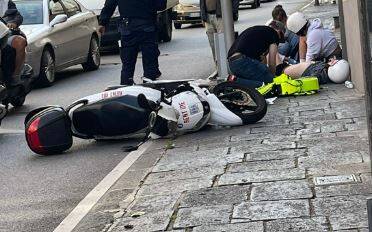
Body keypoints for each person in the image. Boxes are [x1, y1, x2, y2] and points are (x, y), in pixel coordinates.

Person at [99, 0, 167, 85]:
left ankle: (126, 83)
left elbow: (109, 5)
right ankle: (149, 82)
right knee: (150, 57)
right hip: (147, 25)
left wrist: (103, 22)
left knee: (127, 61)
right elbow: (161, 5)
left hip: (127, 26)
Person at [227, 21, 286, 88]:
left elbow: (261, 60)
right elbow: (272, 63)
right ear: (279, 31)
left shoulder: (260, 32)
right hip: (243, 61)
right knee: (271, 84)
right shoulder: (274, 35)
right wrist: (272, 77)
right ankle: (235, 82)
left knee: (258, 80)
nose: (278, 42)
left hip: (232, 64)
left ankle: (236, 81)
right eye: (280, 38)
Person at [200, 0, 239, 79]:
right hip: (208, 16)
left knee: (223, 43)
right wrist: (202, 16)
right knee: (213, 44)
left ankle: (227, 68)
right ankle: (218, 68)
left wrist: (232, 12)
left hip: (221, 16)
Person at [1, 0, 27, 85]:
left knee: (8, 50)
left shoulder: (7, 3)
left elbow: (17, 16)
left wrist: (13, 23)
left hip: (3, 34)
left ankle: (12, 78)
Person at [277, 58, 350, 84]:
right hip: (289, 68)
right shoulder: (324, 73)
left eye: (334, 61)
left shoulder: (319, 71)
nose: (333, 59)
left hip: (282, 70)